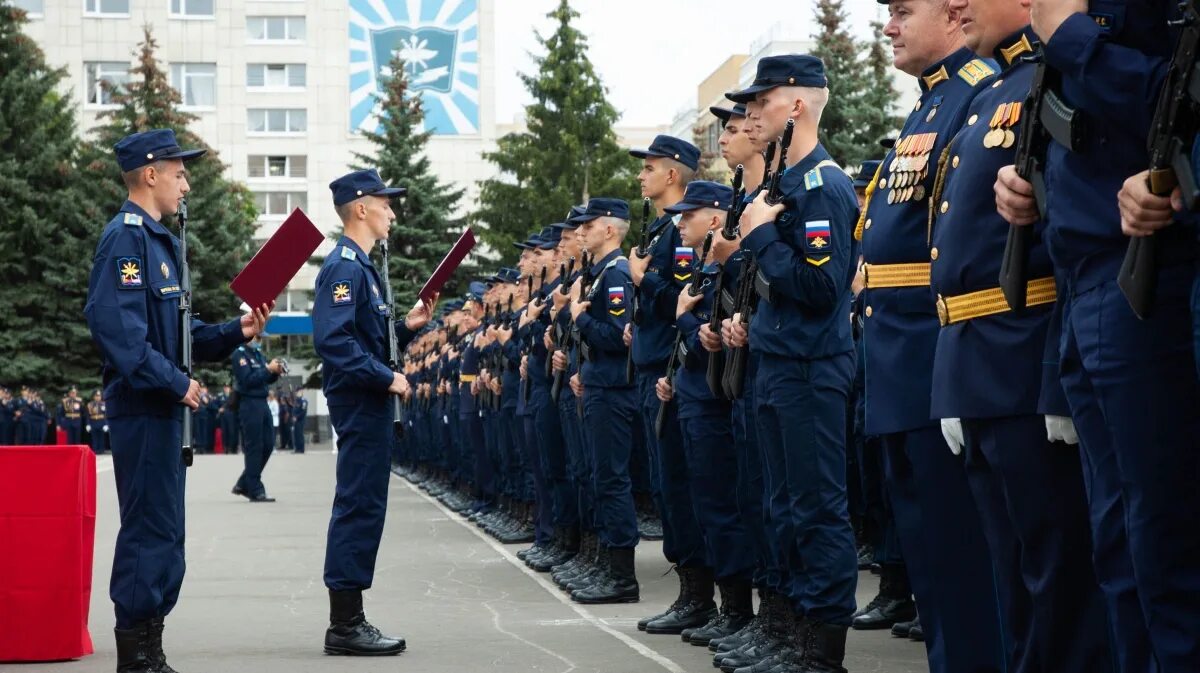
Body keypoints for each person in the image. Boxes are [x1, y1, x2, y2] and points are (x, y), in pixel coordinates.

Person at [994, 0, 1200, 668]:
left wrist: (1071, 37)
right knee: (1114, 537)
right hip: (1082, 277)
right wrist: (1035, 185)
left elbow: (1173, 103)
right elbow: (1084, 131)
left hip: (1145, 276)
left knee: (1161, 532)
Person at [928, 2, 1115, 671]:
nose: (961, 6)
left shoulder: (1058, 73)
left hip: (1030, 359)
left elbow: (1072, 243)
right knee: (1011, 579)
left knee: (1061, 582)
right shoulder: (989, 94)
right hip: (978, 365)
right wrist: (952, 372)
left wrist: (1059, 378)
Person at [84, 128, 272, 673]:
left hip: (163, 406)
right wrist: (175, 382)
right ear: (150, 174)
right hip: (144, 407)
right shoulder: (127, 239)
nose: (185, 184)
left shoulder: (160, 242)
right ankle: (137, 656)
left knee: (166, 529)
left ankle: (151, 645)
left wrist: (238, 331)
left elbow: (181, 336)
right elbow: (118, 332)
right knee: (149, 528)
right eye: (179, 172)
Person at [726, 53, 861, 672]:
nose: (755, 114)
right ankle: (786, 630)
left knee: (815, 509)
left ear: (797, 105)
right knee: (782, 505)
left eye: (765, 102)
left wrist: (758, 238)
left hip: (811, 366)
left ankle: (820, 648)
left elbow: (822, 288)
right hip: (779, 360)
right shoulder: (786, 185)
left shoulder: (822, 185)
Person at [312, 168, 435, 656]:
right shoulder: (345, 265)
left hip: (367, 400)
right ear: (360, 208)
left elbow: (365, 338)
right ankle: (345, 624)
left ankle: (349, 618)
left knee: (364, 505)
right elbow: (333, 341)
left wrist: (405, 327)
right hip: (362, 402)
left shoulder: (361, 266)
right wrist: (388, 377)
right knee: (359, 506)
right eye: (386, 204)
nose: (393, 213)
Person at [623, 135, 714, 634]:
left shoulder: (679, 233)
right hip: (652, 361)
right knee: (666, 482)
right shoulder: (662, 230)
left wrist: (642, 283)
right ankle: (690, 593)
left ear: (674, 174)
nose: (643, 175)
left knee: (679, 482)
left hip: (670, 366)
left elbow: (685, 295)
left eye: (650, 168)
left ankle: (699, 596)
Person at [565, 197, 640, 604]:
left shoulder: (615, 275)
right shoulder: (600, 274)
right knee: (600, 477)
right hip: (598, 385)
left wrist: (578, 317)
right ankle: (608, 567)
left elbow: (616, 338)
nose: (582, 232)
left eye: (589, 225)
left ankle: (622, 578)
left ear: (609, 229)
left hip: (613, 389)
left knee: (611, 479)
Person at [231, 336, 283, 502]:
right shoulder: (239, 355)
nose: (259, 340)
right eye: (258, 337)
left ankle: (243, 483)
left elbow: (265, 379)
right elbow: (248, 380)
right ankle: (255, 489)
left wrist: (275, 372)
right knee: (255, 447)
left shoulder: (258, 354)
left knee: (268, 445)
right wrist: (268, 369)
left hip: (262, 402)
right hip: (249, 403)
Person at [86, 389, 108, 454]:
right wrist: (88, 424)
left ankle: (101, 450)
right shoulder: (90, 405)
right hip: (93, 422)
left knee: (101, 437)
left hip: (102, 422)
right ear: (94, 397)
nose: (98, 397)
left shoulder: (104, 404)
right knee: (94, 437)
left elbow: (106, 415)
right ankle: (95, 450)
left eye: (99, 396)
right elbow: (88, 415)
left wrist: (106, 424)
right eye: (96, 396)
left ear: (101, 396)